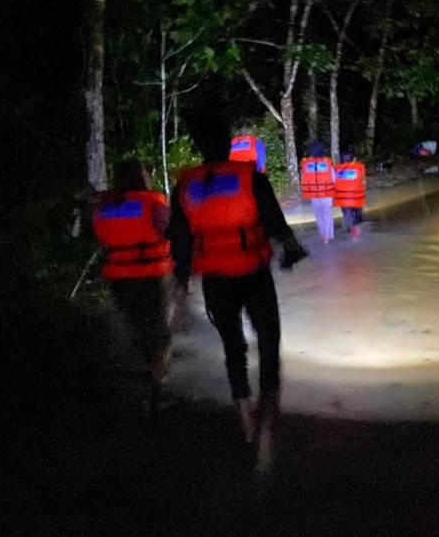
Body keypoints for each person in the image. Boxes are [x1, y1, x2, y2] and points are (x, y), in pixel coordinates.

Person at [168, 111, 307, 473]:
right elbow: (276, 224)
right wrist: (291, 250)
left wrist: (180, 288)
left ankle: (244, 413)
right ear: (229, 143)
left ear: (199, 146)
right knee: (269, 341)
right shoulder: (250, 177)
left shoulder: (185, 186)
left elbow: (180, 243)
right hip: (253, 273)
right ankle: (267, 419)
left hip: (215, 279)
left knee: (233, 347)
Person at [90, 159, 173, 413]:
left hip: (119, 278)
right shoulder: (152, 203)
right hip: (152, 276)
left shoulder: (105, 206)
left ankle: (135, 384)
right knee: (157, 332)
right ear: (142, 177)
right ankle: (156, 390)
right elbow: (171, 230)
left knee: (135, 326)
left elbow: (98, 236)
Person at [300, 141, 336, 244]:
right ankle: (327, 237)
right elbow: (334, 178)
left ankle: (322, 234)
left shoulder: (306, 164)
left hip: (314, 194)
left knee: (318, 214)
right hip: (326, 193)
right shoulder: (327, 163)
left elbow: (303, 177)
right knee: (327, 214)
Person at [335, 151, 366, 239]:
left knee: (348, 215)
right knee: (357, 215)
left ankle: (351, 232)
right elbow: (363, 182)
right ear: (353, 159)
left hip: (343, 199)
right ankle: (356, 233)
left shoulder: (336, 169)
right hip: (356, 198)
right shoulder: (359, 167)